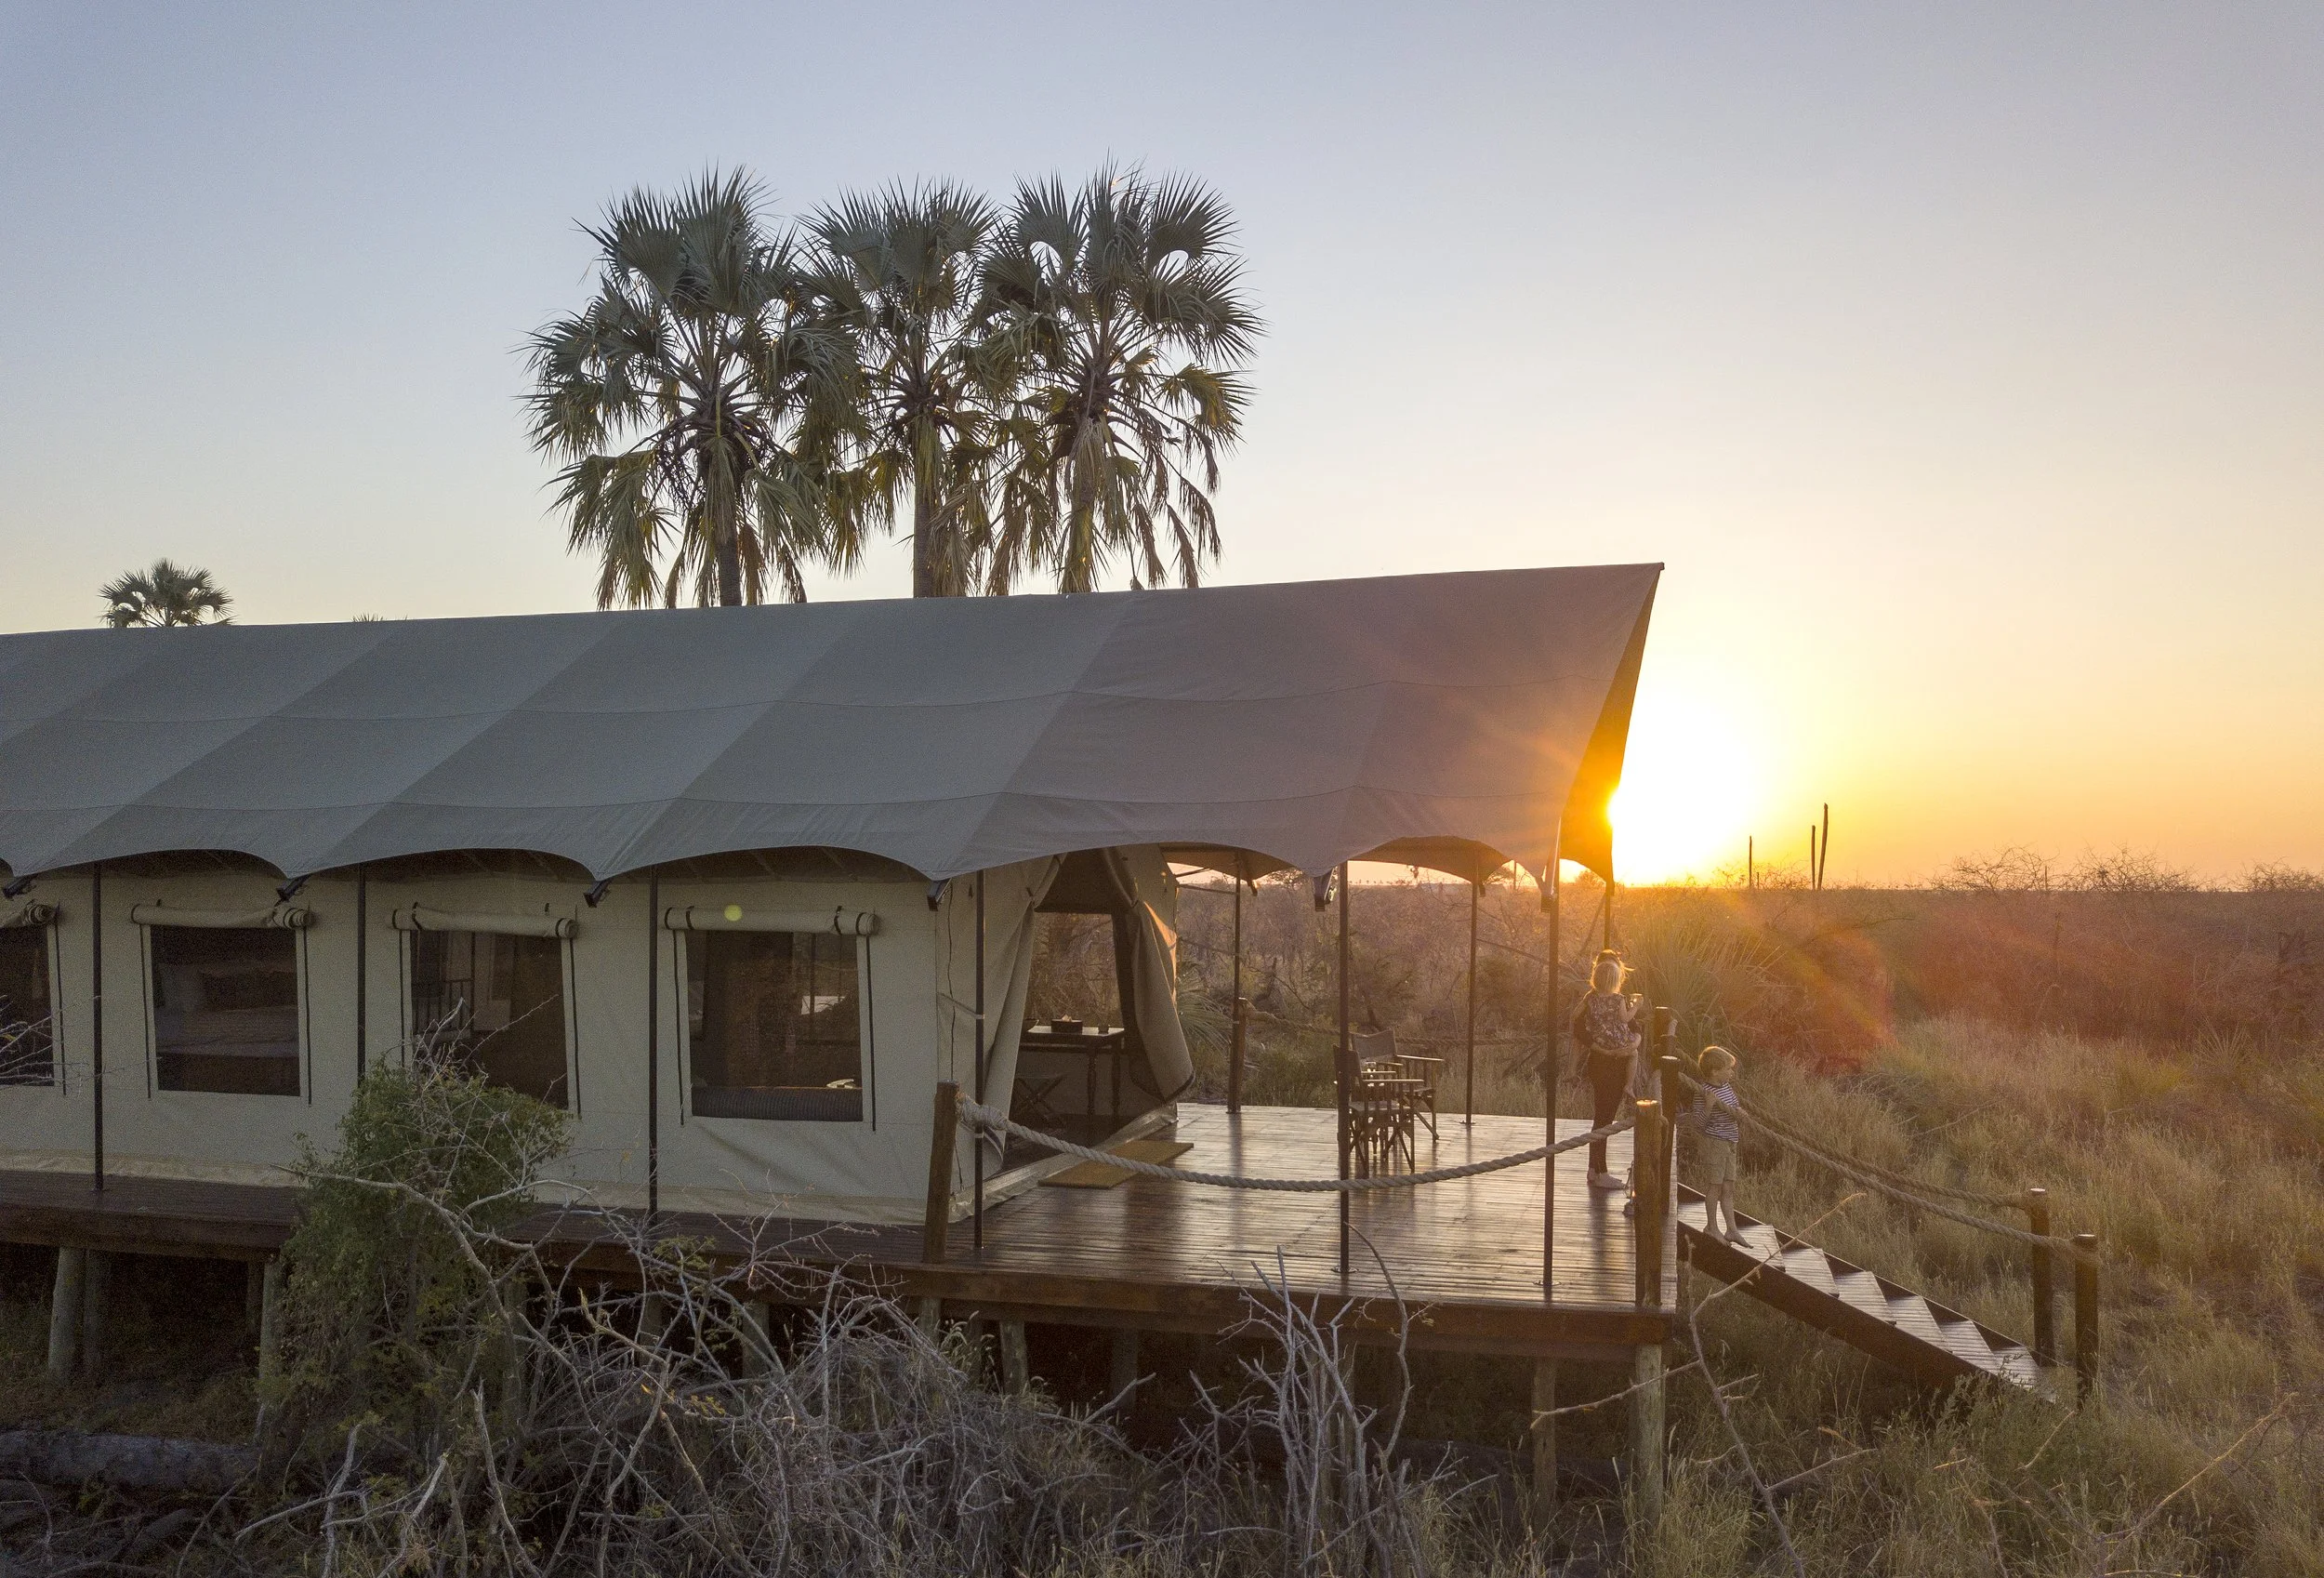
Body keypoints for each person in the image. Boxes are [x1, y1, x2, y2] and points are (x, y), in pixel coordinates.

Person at [1572, 950, 1644, 1191]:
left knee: (1601, 1117)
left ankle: (1594, 1168)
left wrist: (1632, 1042)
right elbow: (1626, 1021)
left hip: (1606, 1060)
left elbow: (1633, 1029)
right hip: (1606, 1064)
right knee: (1604, 1118)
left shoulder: (1591, 1000)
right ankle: (1601, 1172)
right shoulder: (1617, 1000)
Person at [1685, 1045, 1749, 1245]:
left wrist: (1739, 1113)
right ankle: (1711, 1227)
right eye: (1728, 1069)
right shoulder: (1703, 1093)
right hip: (1714, 1143)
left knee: (1728, 1187)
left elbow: (1732, 1108)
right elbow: (1699, 1124)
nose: (1731, 1073)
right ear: (1714, 1071)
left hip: (1730, 1142)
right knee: (1716, 1186)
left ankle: (1732, 1229)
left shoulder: (1726, 1088)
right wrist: (1709, 1106)